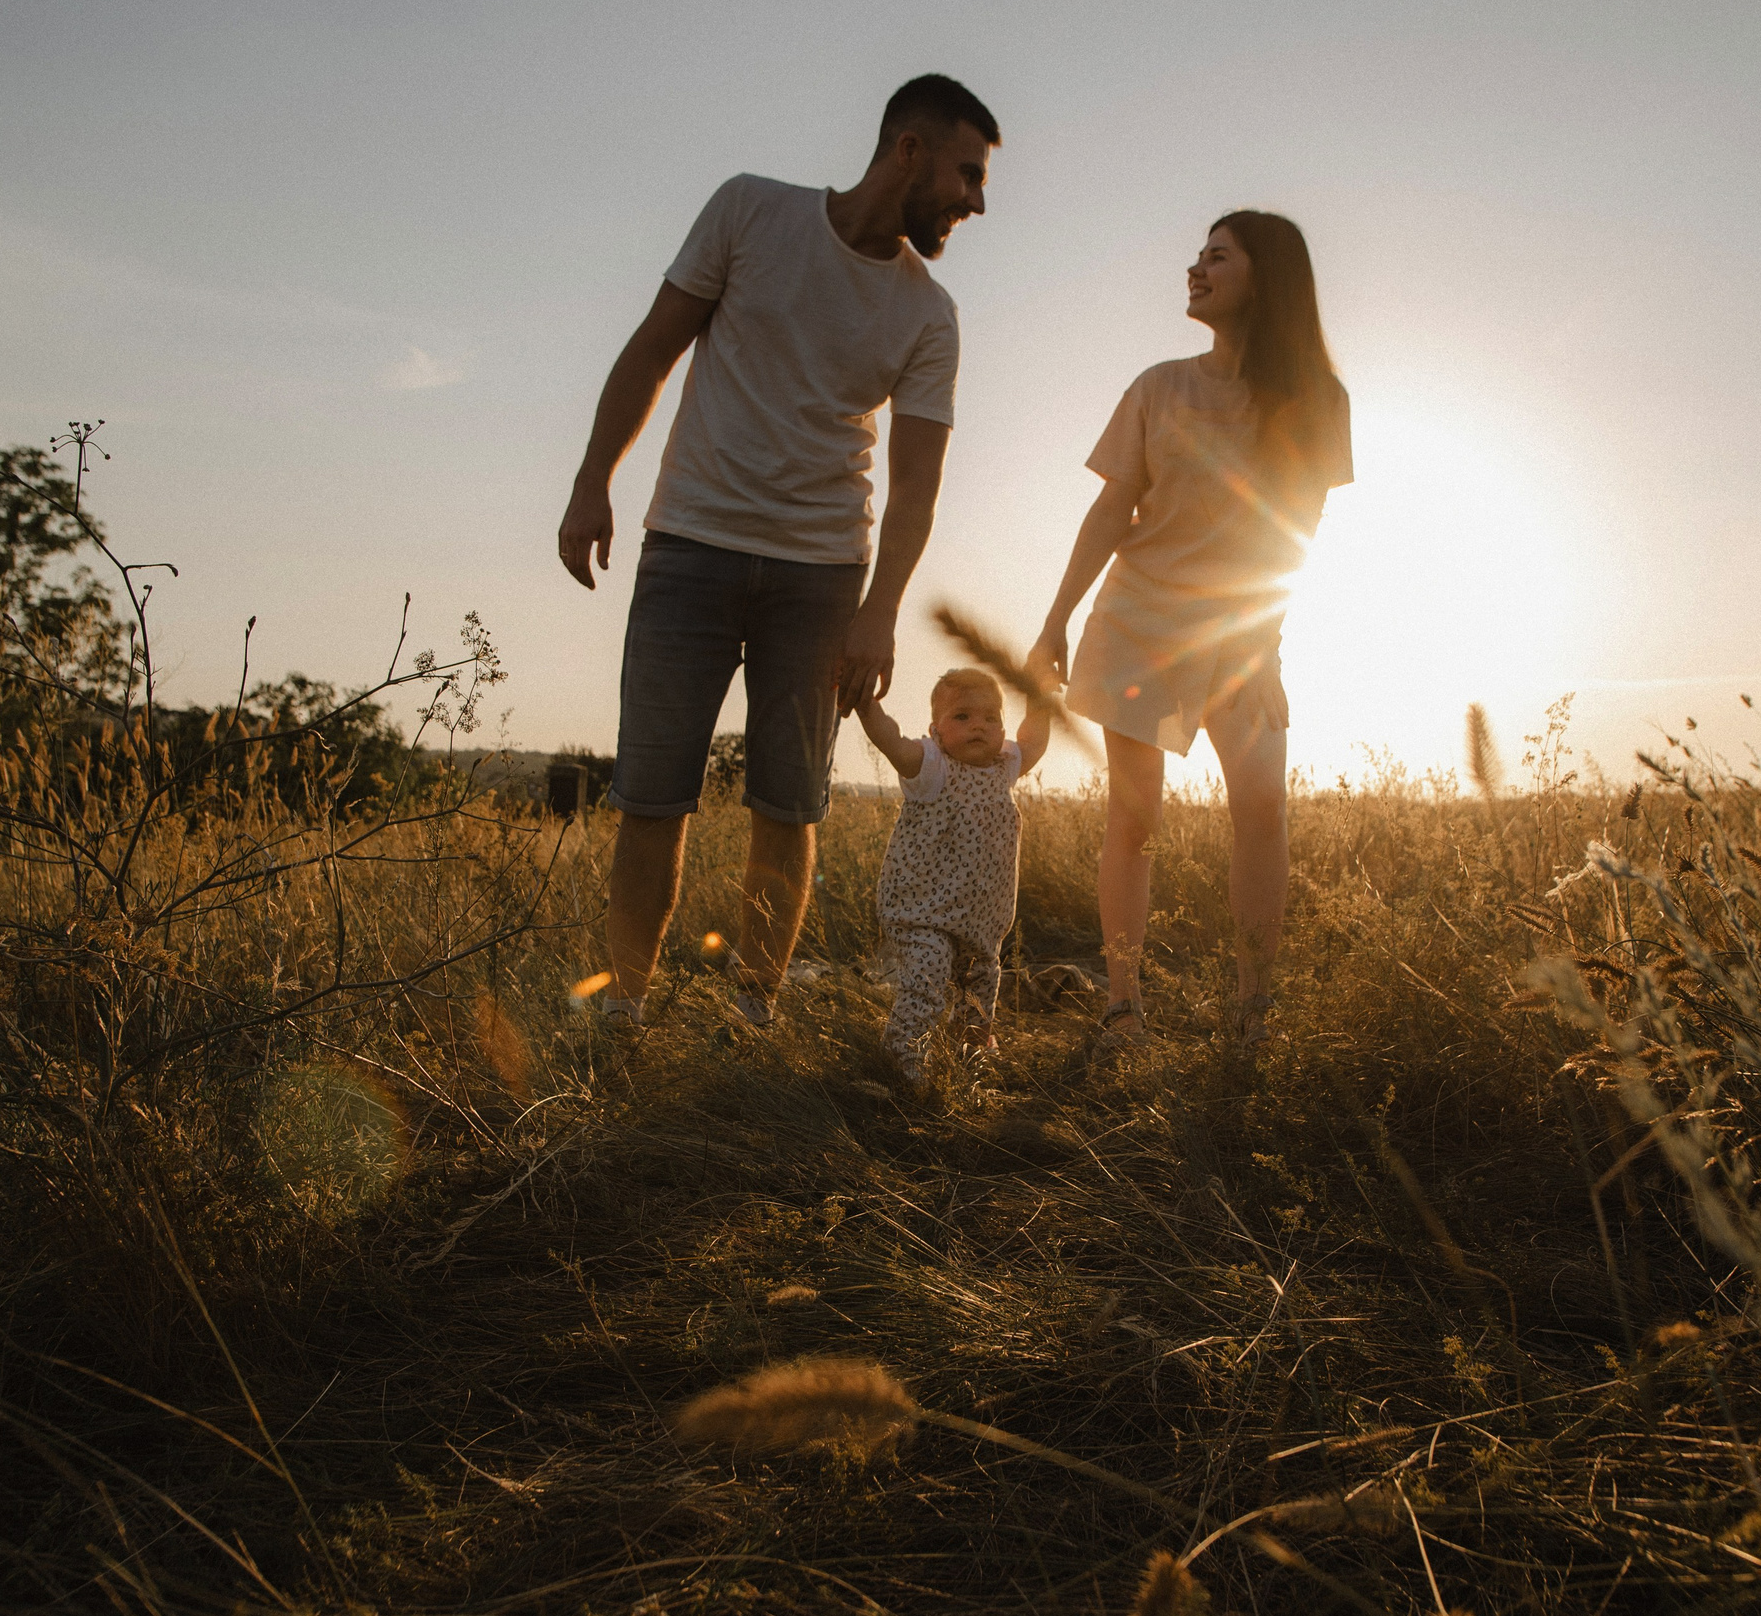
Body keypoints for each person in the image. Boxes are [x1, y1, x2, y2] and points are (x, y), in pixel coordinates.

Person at [556, 74, 999, 1032]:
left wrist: (880, 609)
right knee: (651, 794)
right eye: (967, 172)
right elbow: (653, 349)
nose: (977, 199)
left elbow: (917, 485)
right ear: (908, 149)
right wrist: (594, 479)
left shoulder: (931, 316)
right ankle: (622, 1011)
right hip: (690, 548)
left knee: (789, 806)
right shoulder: (749, 210)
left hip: (821, 581)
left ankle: (751, 1013)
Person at [1027, 212, 1352, 1049]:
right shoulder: (1158, 386)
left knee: (1262, 805)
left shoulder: (1318, 398)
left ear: (1266, 277)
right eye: (1197, 255)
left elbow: (1296, 532)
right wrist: (1055, 619)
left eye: (1217, 256)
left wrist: (1266, 641)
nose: (1194, 268)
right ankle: (1123, 1010)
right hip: (1138, 622)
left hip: (1239, 635)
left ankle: (1251, 1011)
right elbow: (1110, 509)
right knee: (1134, 820)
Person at [851, 667, 1055, 1084]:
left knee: (980, 987)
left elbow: (1033, 741)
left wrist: (1039, 698)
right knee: (928, 970)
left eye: (991, 717)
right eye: (962, 716)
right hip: (921, 911)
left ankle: (971, 1055)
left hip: (981, 921)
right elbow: (891, 740)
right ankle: (904, 1053)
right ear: (936, 730)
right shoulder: (932, 767)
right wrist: (865, 704)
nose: (979, 725)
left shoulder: (1004, 767)